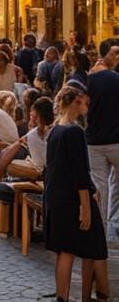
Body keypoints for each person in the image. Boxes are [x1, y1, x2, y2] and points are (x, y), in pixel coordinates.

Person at [44, 86, 110, 302]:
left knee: (66, 251)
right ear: (75, 103)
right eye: (83, 103)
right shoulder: (73, 131)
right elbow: (79, 171)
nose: (86, 108)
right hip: (71, 199)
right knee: (87, 248)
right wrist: (86, 205)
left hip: (57, 196)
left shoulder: (55, 130)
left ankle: (66, 296)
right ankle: (94, 295)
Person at [85, 61, 119, 242]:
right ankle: (114, 221)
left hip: (94, 142)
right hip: (116, 141)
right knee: (116, 185)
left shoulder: (89, 81)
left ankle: (100, 231)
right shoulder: (116, 80)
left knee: (99, 186)